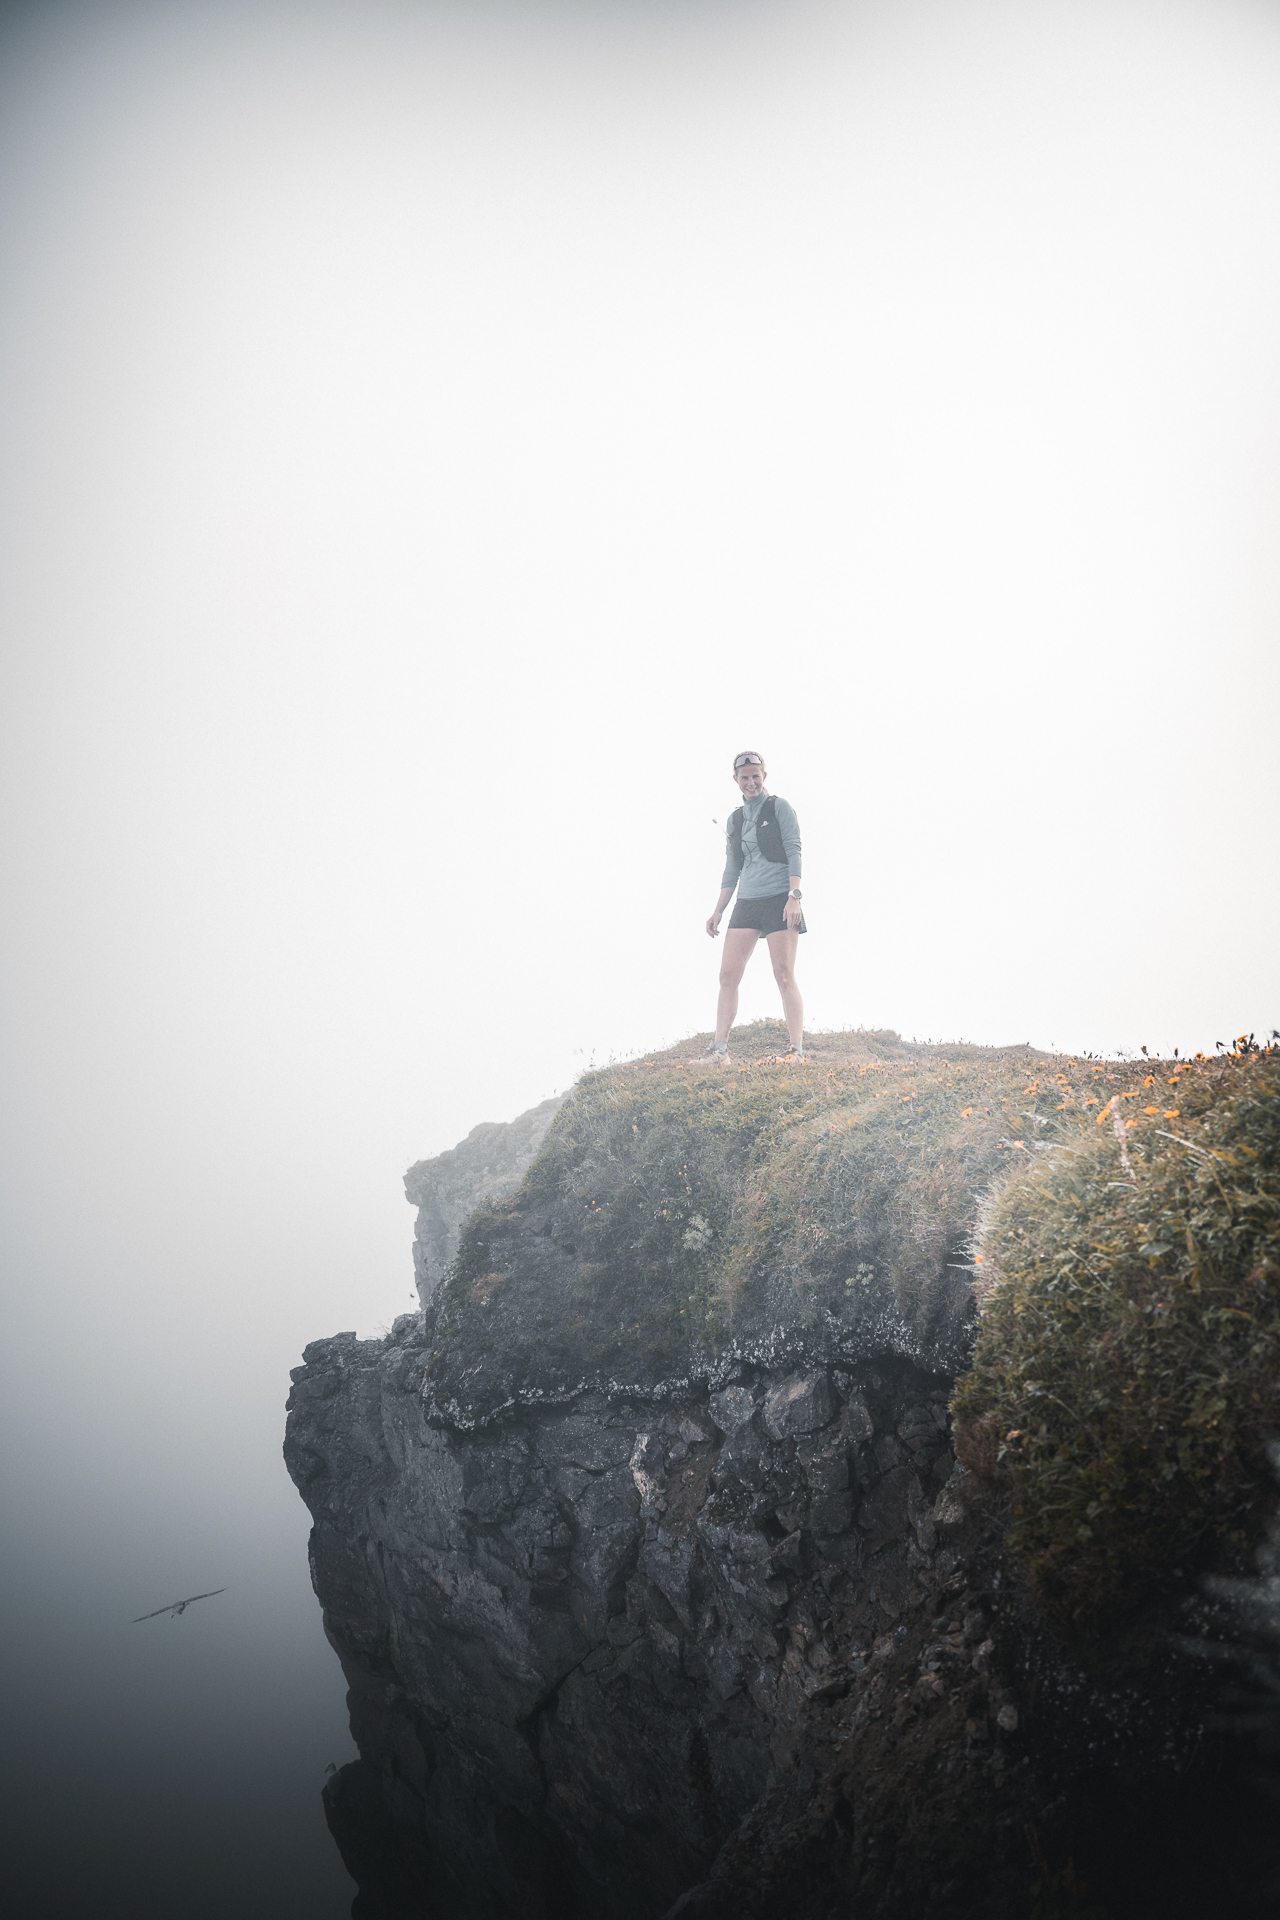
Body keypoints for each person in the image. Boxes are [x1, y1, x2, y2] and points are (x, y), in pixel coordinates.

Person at [701, 751, 805, 1064]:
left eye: (756, 776)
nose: (751, 782)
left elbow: (794, 850)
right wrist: (718, 909)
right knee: (727, 976)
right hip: (747, 901)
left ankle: (796, 1050)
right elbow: (732, 868)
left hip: (779, 898)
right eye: (744, 777)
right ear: (736, 780)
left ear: (764, 776)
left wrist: (794, 895)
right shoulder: (734, 819)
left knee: (784, 974)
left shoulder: (779, 807)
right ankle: (719, 1051)